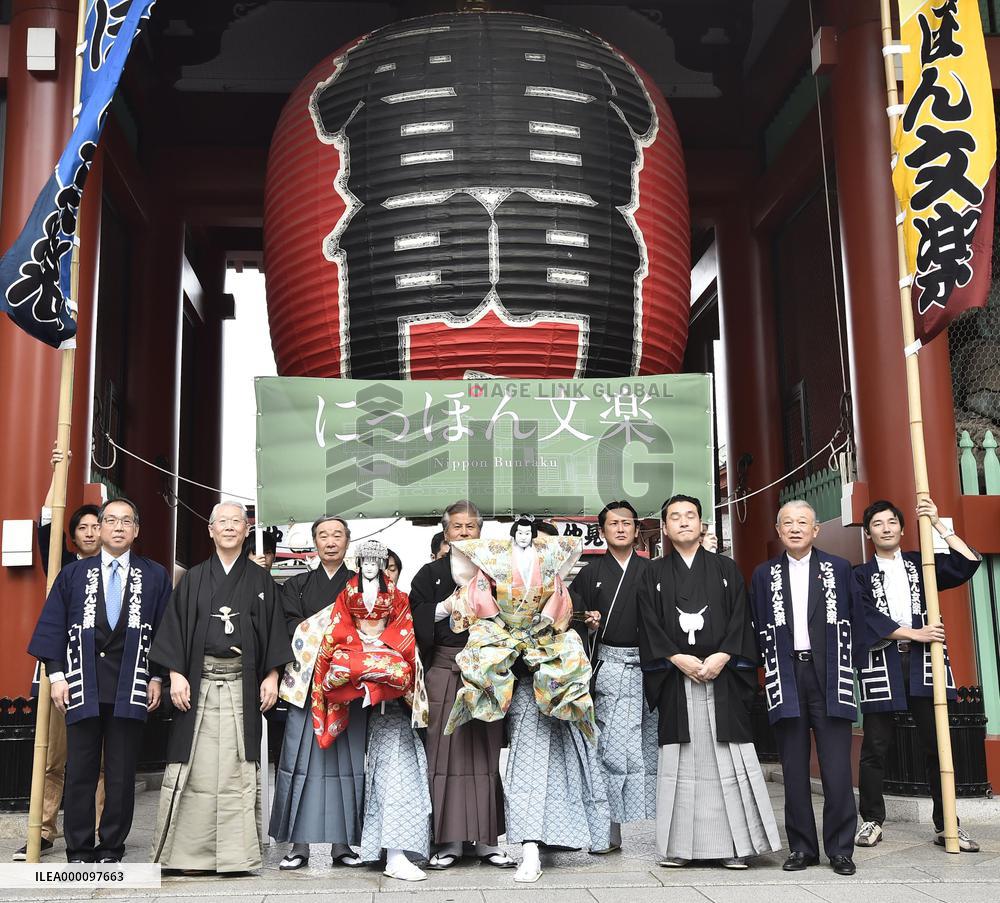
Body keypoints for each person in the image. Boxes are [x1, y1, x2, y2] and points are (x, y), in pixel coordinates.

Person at [449, 516, 609, 882]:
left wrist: (552, 637)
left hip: (552, 678)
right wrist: (508, 640)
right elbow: (474, 615)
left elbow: (566, 621)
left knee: (565, 766)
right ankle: (530, 848)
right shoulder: (492, 578)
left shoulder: (555, 583)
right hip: (522, 681)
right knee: (527, 768)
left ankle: (552, 840)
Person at [149, 500, 292, 873]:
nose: (229, 527)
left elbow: (275, 632)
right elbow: (173, 630)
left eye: (237, 522)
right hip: (197, 685)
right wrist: (175, 674)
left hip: (241, 687)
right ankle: (186, 856)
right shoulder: (194, 578)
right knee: (192, 768)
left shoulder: (261, 581)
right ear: (210, 530)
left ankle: (235, 855)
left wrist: (272, 676)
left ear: (247, 532)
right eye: (222, 522)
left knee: (236, 770)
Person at [639, 495, 779, 870]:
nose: (683, 522)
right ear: (665, 528)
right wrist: (675, 657)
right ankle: (681, 847)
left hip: (724, 677)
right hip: (674, 678)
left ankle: (735, 846)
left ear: (701, 524)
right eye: (674, 517)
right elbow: (648, 624)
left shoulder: (726, 568)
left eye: (690, 516)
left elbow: (740, 617)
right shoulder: (651, 573)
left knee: (728, 761)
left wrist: (723, 656)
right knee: (680, 764)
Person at [27, 498, 171, 862]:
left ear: (136, 530)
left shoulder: (154, 575)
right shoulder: (73, 574)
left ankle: (111, 846)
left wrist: (157, 677)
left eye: (126, 521)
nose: (118, 527)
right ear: (99, 527)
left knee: (121, 773)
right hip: (81, 685)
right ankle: (78, 847)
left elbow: (168, 631)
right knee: (80, 770)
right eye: (111, 520)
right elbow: (53, 627)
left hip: (131, 685)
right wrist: (57, 676)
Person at [854, 497, 982, 852]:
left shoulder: (920, 562)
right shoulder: (859, 575)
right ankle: (871, 820)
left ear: (902, 528)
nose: (885, 528)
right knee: (875, 747)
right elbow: (864, 618)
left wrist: (939, 524)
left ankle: (948, 825)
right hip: (883, 662)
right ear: (868, 533)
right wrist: (916, 633)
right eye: (877, 524)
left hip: (925, 663)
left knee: (937, 746)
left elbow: (968, 562)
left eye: (891, 522)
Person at [749, 500, 863, 876]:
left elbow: (858, 622)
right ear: (777, 530)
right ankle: (802, 847)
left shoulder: (839, 569)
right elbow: (754, 624)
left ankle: (841, 849)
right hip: (786, 674)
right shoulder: (765, 575)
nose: (795, 528)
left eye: (803, 522)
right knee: (794, 768)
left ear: (816, 530)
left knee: (836, 769)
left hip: (829, 674)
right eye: (787, 523)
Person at [312, 539, 430, 881]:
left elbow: (405, 638)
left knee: (397, 773)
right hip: (351, 671)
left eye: (387, 565)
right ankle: (326, 845)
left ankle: (394, 852)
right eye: (369, 562)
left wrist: (380, 651)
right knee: (335, 774)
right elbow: (337, 632)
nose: (376, 569)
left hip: (386, 697)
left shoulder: (399, 599)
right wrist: (360, 652)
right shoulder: (346, 596)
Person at [408, 500, 514, 870]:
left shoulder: (498, 570)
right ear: (446, 531)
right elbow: (412, 618)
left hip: (486, 673)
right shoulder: (429, 574)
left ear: (480, 531)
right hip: (444, 669)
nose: (465, 532)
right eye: (458, 527)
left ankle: (487, 840)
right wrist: (444, 607)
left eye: (471, 526)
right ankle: (448, 840)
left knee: (484, 754)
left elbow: (516, 617)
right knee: (443, 754)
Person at [14, 448, 103, 862]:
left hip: (100, 673)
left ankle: (98, 833)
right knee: (51, 757)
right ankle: (44, 830)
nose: (89, 532)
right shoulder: (63, 566)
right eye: (82, 527)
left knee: (98, 760)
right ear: (74, 536)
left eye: (95, 526)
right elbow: (47, 521)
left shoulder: (119, 572)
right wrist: (59, 469)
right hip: (60, 671)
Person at [269, 516, 362, 870]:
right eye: (323, 535)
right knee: (298, 759)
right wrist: (325, 639)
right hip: (307, 682)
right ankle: (299, 844)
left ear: (347, 540)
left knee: (346, 760)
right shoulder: (297, 585)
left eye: (337, 534)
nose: (330, 541)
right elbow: (290, 625)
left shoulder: (359, 583)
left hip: (346, 683)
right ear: (314, 542)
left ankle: (343, 845)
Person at [569, 500, 654, 854]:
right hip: (610, 667)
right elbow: (570, 617)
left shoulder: (653, 571)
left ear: (637, 530)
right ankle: (607, 831)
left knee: (651, 749)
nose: (620, 528)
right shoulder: (590, 573)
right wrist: (584, 621)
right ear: (602, 531)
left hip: (650, 668)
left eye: (627, 523)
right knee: (609, 751)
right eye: (613, 524)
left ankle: (664, 826)